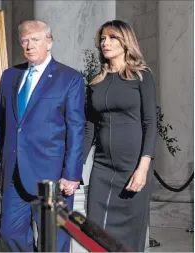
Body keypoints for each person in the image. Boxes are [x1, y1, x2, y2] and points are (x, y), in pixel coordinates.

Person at [0, 20, 85, 252]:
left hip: (51, 176)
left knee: (53, 240)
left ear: (49, 42)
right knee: (10, 232)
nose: (29, 45)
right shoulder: (10, 76)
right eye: (25, 41)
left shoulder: (69, 78)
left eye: (36, 39)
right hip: (13, 173)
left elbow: (76, 129)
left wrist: (72, 174)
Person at [83, 20, 157, 252]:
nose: (105, 42)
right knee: (94, 229)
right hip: (102, 167)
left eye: (112, 37)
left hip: (133, 165)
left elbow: (150, 123)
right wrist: (76, 164)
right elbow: (90, 127)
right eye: (103, 38)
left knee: (129, 235)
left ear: (125, 41)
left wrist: (143, 167)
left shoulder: (141, 76)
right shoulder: (96, 82)